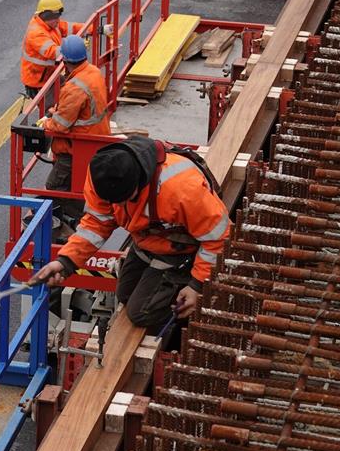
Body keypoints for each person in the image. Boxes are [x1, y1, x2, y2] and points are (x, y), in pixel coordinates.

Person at [33, 136, 230, 333]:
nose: (117, 207)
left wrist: (196, 286)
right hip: (147, 241)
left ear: (140, 182)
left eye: (124, 200)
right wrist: (65, 262)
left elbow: (219, 237)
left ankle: (183, 313)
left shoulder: (181, 189)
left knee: (141, 313)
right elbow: (96, 224)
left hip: (183, 249)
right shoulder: (101, 175)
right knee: (125, 295)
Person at [40, 34, 111, 222]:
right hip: (97, 140)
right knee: (81, 185)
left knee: (55, 186)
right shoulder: (94, 72)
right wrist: (60, 110)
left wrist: (46, 122)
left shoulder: (74, 87)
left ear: (64, 59)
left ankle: (83, 220)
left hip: (76, 148)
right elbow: (80, 111)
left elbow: (60, 126)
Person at [20, 0, 88, 101]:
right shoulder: (36, 33)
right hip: (39, 83)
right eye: (55, 18)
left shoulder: (51, 24)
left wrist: (97, 28)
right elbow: (53, 52)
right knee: (52, 110)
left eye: (58, 17)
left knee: (71, 93)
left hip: (49, 75)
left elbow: (72, 28)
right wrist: (76, 47)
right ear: (46, 16)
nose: (58, 20)